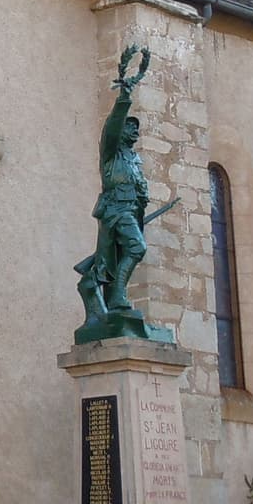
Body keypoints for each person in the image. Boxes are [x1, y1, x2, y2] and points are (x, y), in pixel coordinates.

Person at [75, 45, 153, 331]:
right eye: (131, 127)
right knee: (137, 247)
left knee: (120, 256)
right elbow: (113, 126)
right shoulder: (111, 153)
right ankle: (118, 296)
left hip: (130, 212)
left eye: (136, 128)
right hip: (115, 212)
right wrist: (124, 98)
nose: (135, 131)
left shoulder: (133, 159)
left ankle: (113, 299)